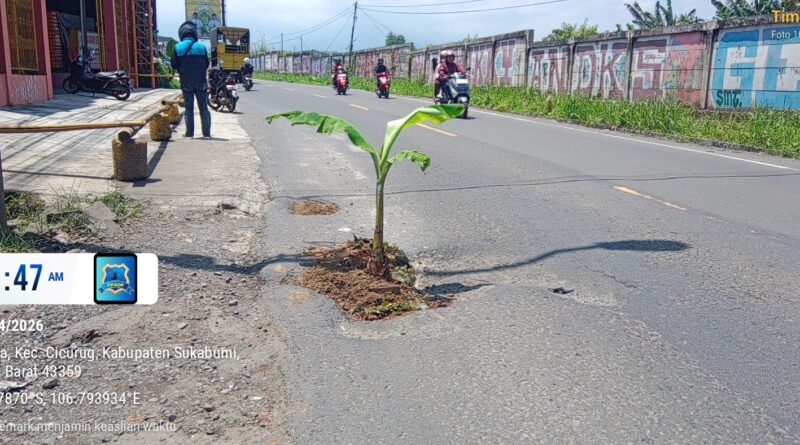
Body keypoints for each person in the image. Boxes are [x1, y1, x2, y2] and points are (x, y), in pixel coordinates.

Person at [171, 21, 211, 138]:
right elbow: (206, 63)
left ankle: (189, 133)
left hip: (186, 82)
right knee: (204, 108)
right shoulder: (202, 47)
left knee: (189, 108)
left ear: (181, 34)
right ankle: (206, 133)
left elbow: (173, 64)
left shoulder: (177, 47)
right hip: (201, 82)